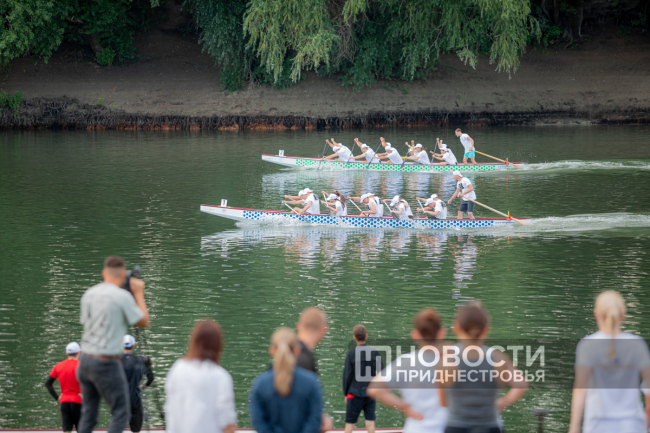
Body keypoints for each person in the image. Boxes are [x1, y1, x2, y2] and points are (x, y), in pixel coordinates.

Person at [77, 256, 149, 433]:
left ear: (104, 273)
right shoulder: (122, 297)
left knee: (89, 413)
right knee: (121, 413)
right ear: (124, 275)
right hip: (105, 362)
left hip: (85, 360)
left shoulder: (89, 294)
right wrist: (138, 293)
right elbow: (143, 322)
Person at [569, 291, 650, 433]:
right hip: (632, 425)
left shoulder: (588, 345)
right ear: (623, 315)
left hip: (597, 425)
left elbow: (581, 389)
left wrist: (574, 428)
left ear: (596, 315)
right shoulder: (637, 345)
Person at [439, 302, 528, 433]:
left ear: (457, 328)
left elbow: (443, 402)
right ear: (486, 329)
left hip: (456, 427)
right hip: (489, 428)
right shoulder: (498, 358)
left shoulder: (448, 360)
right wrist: (501, 403)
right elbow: (521, 384)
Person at [368, 308, 448, 433]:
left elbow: (374, 389)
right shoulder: (454, 361)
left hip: (415, 428)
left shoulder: (405, 362)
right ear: (442, 333)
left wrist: (405, 408)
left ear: (415, 335)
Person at [165, 320, 237, 433]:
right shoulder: (220, 376)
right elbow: (227, 422)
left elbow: (170, 410)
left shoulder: (177, 369)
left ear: (194, 341)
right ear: (218, 345)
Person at [250, 328, 323, 433]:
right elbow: (315, 420)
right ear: (297, 350)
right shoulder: (311, 382)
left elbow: (258, 422)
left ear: (272, 350)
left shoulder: (260, 384)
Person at [343, 325, 383, 433]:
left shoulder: (351, 354)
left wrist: (346, 393)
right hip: (370, 393)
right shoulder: (374, 353)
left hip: (354, 393)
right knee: (370, 421)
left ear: (354, 337)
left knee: (350, 423)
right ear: (366, 336)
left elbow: (347, 376)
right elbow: (382, 373)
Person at [46, 342, 83, 433]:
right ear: (78, 352)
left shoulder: (58, 366)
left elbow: (48, 383)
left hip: (64, 401)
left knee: (67, 429)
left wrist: (57, 397)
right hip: (78, 401)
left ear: (66, 353)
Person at [120, 335, 154, 433]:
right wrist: (142, 387)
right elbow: (151, 377)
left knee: (117, 426)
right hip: (135, 399)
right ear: (133, 345)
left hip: (121, 399)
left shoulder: (116, 361)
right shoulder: (140, 361)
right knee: (136, 429)